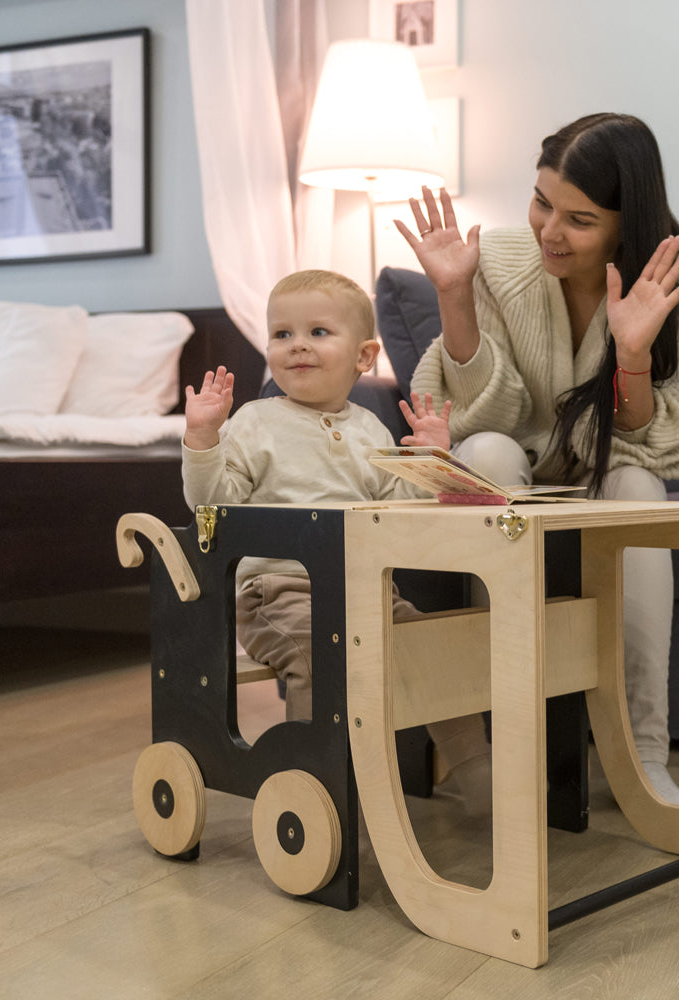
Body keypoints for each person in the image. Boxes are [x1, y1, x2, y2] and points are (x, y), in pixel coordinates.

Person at [395, 113, 679, 808]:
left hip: (608, 473)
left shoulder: (677, 286)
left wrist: (631, 353)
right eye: (542, 201)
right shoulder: (503, 263)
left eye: (579, 218)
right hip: (513, 465)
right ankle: (512, 737)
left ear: (624, 223)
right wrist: (454, 293)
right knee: (484, 451)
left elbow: (661, 443)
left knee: (636, 483)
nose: (549, 230)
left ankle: (646, 756)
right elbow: (483, 413)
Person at [182, 269, 493, 814]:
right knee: (319, 659)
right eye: (282, 334)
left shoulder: (371, 429)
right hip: (279, 592)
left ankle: (477, 771)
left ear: (364, 356)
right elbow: (212, 506)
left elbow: (401, 509)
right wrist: (204, 438)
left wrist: (431, 460)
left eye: (318, 332)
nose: (297, 344)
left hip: (366, 590)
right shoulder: (255, 422)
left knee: (434, 649)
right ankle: (315, 785)